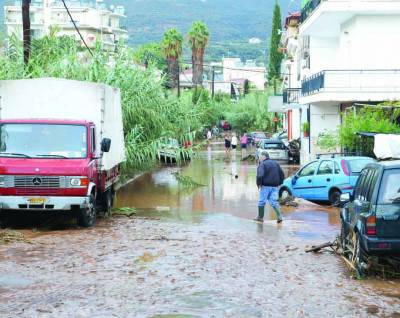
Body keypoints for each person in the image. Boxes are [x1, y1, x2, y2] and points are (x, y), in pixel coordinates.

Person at [255, 151, 284, 223]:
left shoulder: (263, 164)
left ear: (263, 157)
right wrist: (280, 183)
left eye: (260, 157)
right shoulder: (275, 163)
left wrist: (259, 183)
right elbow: (282, 174)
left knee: (262, 201)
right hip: (275, 186)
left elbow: (260, 175)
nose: (259, 158)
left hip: (265, 186)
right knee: (274, 202)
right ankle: (279, 216)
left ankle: (260, 217)